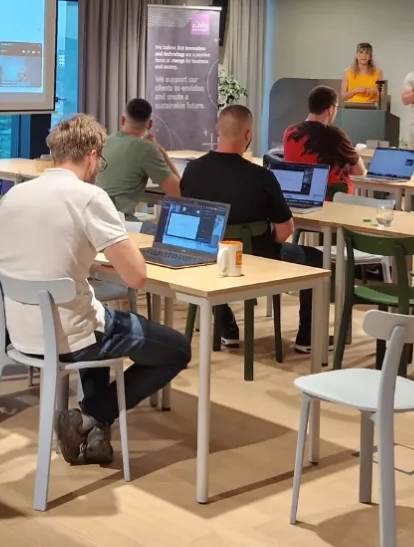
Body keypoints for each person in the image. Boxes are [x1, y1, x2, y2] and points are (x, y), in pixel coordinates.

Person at [0, 114, 191, 465]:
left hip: (21, 333)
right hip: (70, 336)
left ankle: (93, 430)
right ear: (94, 156)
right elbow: (136, 278)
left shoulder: (13, 196)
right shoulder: (89, 197)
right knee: (176, 349)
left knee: (92, 310)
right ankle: (92, 414)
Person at [180, 105, 327, 353]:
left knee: (217, 254)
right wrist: (265, 243)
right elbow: (285, 229)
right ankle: (306, 338)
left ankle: (227, 327)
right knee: (315, 258)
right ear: (248, 135)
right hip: (257, 259)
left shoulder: (193, 170)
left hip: (206, 257)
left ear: (217, 129)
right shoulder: (261, 176)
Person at [95, 97, 181, 216]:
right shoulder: (146, 148)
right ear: (150, 124)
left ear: (123, 120)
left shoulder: (104, 142)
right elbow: (179, 193)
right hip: (120, 221)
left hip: (94, 216)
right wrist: (161, 151)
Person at [282, 84, 364, 194]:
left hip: (299, 195)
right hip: (333, 199)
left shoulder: (290, 132)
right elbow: (360, 171)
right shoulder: (336, 136)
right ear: (330, 110)